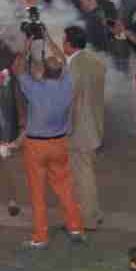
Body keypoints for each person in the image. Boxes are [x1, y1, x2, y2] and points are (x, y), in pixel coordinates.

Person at [14, 52, 85, 249]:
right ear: (60, 71)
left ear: (44, 70)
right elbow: (64, 59)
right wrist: (47, 37)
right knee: (65, 187)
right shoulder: (67, 85)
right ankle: (75, 227)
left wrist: (27, 46)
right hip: (59, 143)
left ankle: (41, 236)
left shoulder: (34, 87)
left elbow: (18, 67)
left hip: (36, 145)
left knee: (37, 192)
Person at [63, 26, 106, 230]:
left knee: (82, 175)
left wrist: (63, 127)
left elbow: (70, 99)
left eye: (64, 41)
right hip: (94, 125)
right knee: (87, 171)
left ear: (69, 44)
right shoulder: (95, 61)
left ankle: (87, 218)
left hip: (79, 128)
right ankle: (94, 213)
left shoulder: (73, 67)